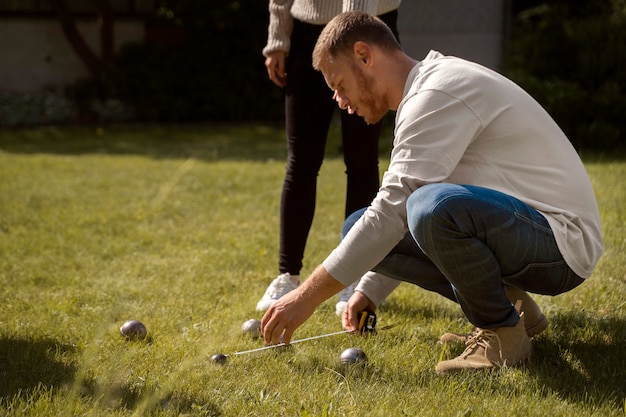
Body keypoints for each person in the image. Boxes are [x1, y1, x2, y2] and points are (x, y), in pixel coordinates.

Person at [261, 11, 603, 374]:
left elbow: (400, 210)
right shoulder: (426, 92)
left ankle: (501, 331)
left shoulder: (436, 93)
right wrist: (370, 291)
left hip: (562, 242)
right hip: (531, 231)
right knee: (360, 223)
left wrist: (304, 297)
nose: (340, 101)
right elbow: (396, 212)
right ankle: (515, 312)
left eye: (341, 85)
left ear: (364, 55)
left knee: (429, 207)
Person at [256, 1, 402, 315]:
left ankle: (355, 275)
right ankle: (286, 275)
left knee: (362, 160)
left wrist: (352, 27)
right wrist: (278, 38)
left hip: (369, 30)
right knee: (301, 160)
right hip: (309, 28)